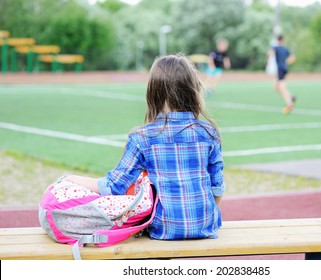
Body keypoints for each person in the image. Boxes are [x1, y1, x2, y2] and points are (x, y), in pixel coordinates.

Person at [53, 54, 224, 240]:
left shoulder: (142, 138)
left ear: (153, 93)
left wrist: (69, 179)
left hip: (162, 229)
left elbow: (114, 186)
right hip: (206, 226)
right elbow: (217, 189)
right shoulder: (209, 133)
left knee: (140, 185)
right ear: (192, 90)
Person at [268, 34, 296, 114]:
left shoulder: (275, 48)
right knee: (276, 87)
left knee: (281, 86)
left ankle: (289, 103)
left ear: (277, 40)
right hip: (284, 68)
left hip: (279, 69)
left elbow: (269, 54)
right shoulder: (285, 49)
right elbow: (293, 58)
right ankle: (290, 96)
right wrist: (285, 63)